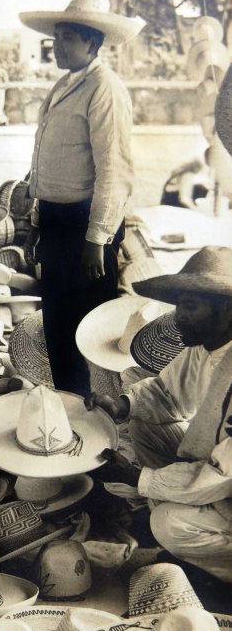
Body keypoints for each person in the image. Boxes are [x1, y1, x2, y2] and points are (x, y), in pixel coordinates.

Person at [19, 0, 144, 395]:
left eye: (67, 37)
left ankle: (99, 410)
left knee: (90, 326)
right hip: (57, 222)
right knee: (57, 318)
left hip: (86, 225)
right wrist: (38, 222)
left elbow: (114, 169)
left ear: (92, 43)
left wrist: (96, 239)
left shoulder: (104, 88)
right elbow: (49, 161)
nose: (57, 45)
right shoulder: (66, 84)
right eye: (56, 37)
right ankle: (70, 402)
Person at [86, 246, 232, 584]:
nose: (178, 315)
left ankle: (216, 570)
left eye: (190, 306)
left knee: (167, 523)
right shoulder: (205, 347)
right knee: (145, 423)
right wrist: (122, 404)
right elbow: (166, 395)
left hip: (224, 482)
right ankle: (188, 540)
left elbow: (220, 474)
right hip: (214, 474)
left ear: (226, 309)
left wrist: (139, 478)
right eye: (179, 304)